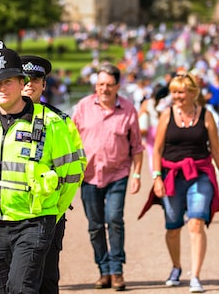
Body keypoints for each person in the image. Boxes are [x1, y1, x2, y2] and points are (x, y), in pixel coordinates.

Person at [0, 40, 83, 294]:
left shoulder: (53, 123)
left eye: (7, 81)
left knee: (21, 289)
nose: (1, 88)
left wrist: (50, 210)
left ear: (22, 83)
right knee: (1, 290)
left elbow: (71, 175)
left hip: (34, 223)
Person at [149, 72, 219, 293]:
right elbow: (156, 150)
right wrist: (156, 176)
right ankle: (176, 267)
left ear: (193, 93)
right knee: (173, 227)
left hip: (200, 174)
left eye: (180, 92)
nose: (176, 96)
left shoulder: (206, 116)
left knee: (196, 223)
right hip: (172, 175)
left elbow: (216, 149)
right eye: (173, 92)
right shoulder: (166, 115)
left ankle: (195, 275)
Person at [72, 63, 144, 291]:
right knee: (95, 225)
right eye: (100, 84)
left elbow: (137, 147)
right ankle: (103, 271)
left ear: (117, 86)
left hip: (117, 175)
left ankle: (117, 271)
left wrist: (137, 175)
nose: (104, 89)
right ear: (96, 85)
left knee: (114, 220)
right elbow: (71, 141)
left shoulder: (128, 109)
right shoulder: (83, 107)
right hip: (89, 176)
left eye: (109, 85)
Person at [21, 54, 86, 294]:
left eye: (36, 78)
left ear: (44, 84)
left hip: (49, 214)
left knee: (46, 280)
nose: (30, 83)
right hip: (9, 217)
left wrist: (56, 210)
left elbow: (75, 169)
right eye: (24, 78)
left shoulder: (61, 121)